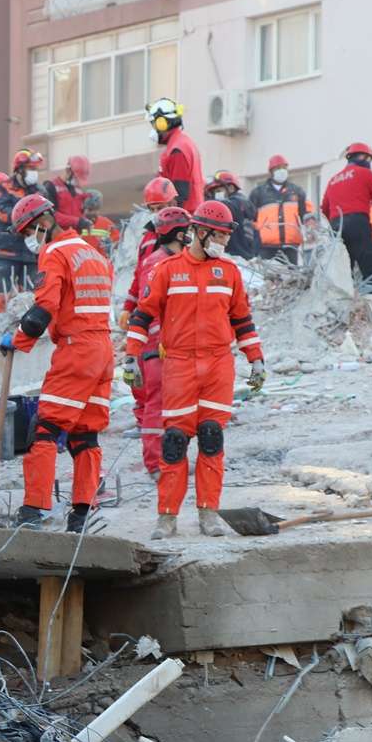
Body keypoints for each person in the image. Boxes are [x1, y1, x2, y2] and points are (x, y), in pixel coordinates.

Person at [124, 200, 264, 539]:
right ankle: (167, 517)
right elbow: (142, 315)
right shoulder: (168, 270)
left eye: (226, 236)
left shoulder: (229, 272)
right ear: (200, 233)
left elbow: (242, 320)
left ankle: (208, 514)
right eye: (220, 235)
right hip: (179, 364)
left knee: (212, 437)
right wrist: (130, 357)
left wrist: (256, 359)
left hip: (218, 364)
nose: (225, 242)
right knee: (174, 440)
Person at [1, 194, 114, 533]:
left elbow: (44, 309)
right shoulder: (92, 253)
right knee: (85, 435)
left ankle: (32, 511)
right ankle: (82, 515)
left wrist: (18, 339)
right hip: (103, 350)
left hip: (76, 350)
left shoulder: (54, 253)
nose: (29, 240)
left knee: (45, 427)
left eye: (28, 232)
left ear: (42, 223)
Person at [123, 205, 190, 479]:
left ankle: (172, 459)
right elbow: (149, 307)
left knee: (174, 404)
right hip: (156, 345)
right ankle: (155, 463)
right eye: (188, 231)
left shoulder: (174, 259)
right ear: (179, 233)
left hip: (172, 344)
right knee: (157, 403)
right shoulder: (158, 262)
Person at [321, 143, 372, 285]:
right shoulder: (365, 173)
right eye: (369, 159)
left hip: (336, 227)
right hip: (357, 222)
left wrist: (334, 222)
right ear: (363, 157)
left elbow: (325, 208)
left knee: (344, 269)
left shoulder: (333, 180)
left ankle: (346, 295)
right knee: (370, 262)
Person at [0, 148, 45, 292]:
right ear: (19, 169)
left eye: (35, 169)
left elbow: (46, 218)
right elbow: (2, 213)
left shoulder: (40, 191)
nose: (34, 172)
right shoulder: (4, 187)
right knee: (1, 295)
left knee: (31, 296)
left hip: (32, 253)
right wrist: (28, 218)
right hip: (7, 252)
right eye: (30, 168)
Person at [147, 97, 204, 211]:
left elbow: (179, 193)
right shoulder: (183, 143)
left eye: (153, 124)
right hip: (189, 213)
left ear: (161, 123)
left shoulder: (176, 151)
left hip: (183, 215)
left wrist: (172, 217)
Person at [249, 155, 307, 265]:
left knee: (291, 275)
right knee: (267, 274)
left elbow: (305, 213)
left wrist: (310, 222)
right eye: (278, 168)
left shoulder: (296, 191)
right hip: (266, 247)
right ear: (271, 171)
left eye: (284, 168)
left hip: (291, 246)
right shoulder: (258, 193)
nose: (282, 171)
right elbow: (250, 219)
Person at [205, 171, 257, 259]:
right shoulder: (240, 202)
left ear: (231, 188)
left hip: (239, 257)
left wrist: (205, 202)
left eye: (218, 191)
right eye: (214, 192)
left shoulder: (239, 202)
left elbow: (226, 206)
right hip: (239, 255)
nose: (215, 195)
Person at [44, 155, 90, 233]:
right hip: (58, 236)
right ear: (68, 170)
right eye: (76, 177)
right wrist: (77, 221)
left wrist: (85, 221)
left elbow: (79, 215)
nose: (77, 181)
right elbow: (50, 215)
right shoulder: (51, 186)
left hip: (75, 236)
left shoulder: (78, 191)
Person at [80, 191, 120, 259]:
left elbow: (118, 244)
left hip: (103, 263)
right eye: (90, 210)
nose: (93, 213)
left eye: (96, 210)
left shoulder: (107, 224)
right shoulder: (76, 224)